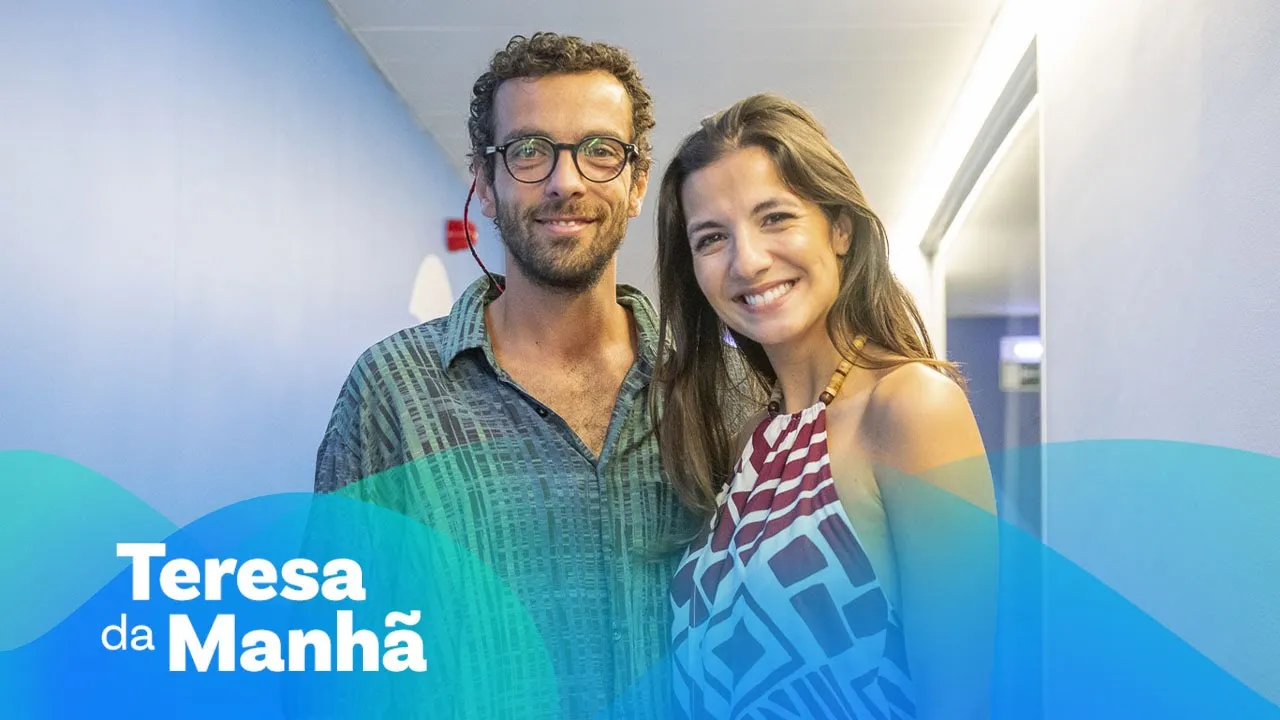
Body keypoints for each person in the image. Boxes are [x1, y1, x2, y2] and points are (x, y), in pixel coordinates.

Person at [314, 32, 694, 719]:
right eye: (528, 151)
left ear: (637, 183)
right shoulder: (391, 392)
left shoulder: (711, 389)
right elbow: (335, 661)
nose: (565, 181)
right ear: (485, 185)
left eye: (600, 150)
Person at [654, 94, 998, 719]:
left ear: (840, 229)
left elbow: (961, 704)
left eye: (775, 217)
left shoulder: (911, 407)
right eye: (712, 238)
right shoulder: (750, 443)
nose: (747, 260)